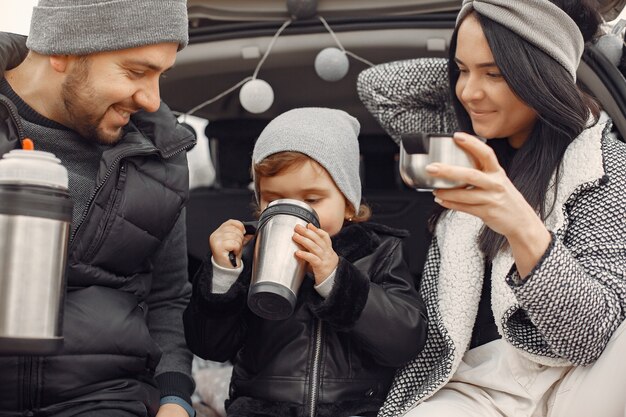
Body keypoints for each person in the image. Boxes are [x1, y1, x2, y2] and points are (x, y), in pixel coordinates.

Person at [360, 1, 626, 416]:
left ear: (541, 76)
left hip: (576, 384)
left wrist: (522, 226)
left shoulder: (606, 166)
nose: (468, 92)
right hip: (472, 388)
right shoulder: (461, 153)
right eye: (461, 71)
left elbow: (593, 340)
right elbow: (379, 87)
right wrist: (480, 68)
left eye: (495, 73)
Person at [0, 1, 196, 416]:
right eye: (136, 72)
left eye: (162, 75)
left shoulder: (160, 156)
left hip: (105, 397)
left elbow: (168, 297)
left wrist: (176, 399)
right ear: (62, 50)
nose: (151, 99)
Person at [183, 107, 428, 417]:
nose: (295, 212)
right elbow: (209, 347)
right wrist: (222, 275)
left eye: (312, 200)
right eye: (274, 199)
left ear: (349, 203)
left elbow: (405, 341)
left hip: (354, 409)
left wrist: (337, 279)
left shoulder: (377, 252)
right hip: (261, 408)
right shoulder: (250, 253)